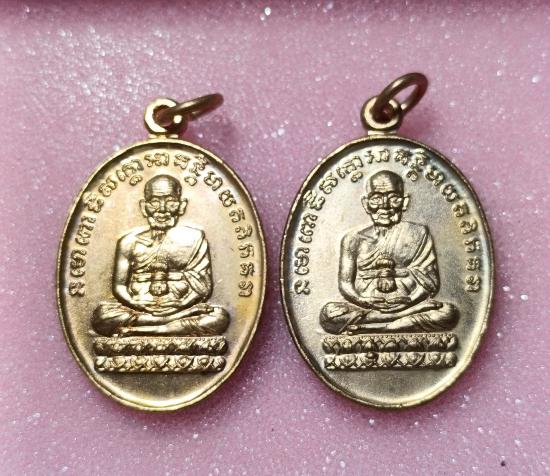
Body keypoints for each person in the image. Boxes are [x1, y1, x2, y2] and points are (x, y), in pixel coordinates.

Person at [320, 170, 458, 334]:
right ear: (365, 203)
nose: (384, 206)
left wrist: (409, 301)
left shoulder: (418, 233)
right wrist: (363, 301)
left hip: (409, 302)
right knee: (329, 314)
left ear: (404, 202)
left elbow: (428, 281)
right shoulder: (352, 239)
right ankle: (396, 320)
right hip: (367, 306)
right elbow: (345, 284)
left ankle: (375, 328)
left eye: (393, 198)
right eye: (376, 198)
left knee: (448, 313)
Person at [92, 174, 229, 337]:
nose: (162, 209)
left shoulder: (195, 238)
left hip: (182, 306)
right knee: (102, 316)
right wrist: (136, 303)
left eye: (170, 202)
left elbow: (202, 287)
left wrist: (181, 304)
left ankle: (148, 328)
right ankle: (169, 323)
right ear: (144, 206)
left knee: (219, 317)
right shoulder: (128, 242)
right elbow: (119, 286)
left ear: (181, 206)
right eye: (155, 202)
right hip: (140, 307)